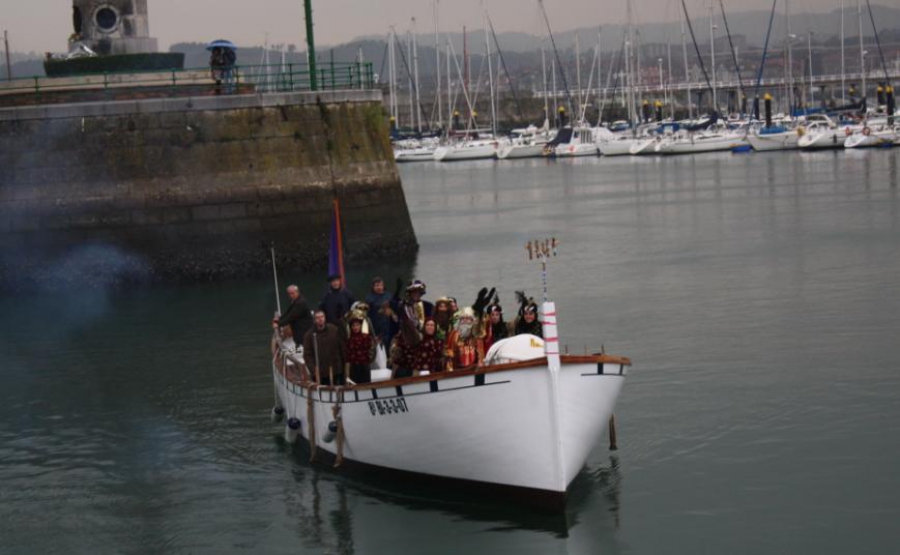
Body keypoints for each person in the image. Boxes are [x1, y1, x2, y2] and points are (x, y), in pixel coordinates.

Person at [303, 310, 346, 385]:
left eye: (322, 317)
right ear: (314, 320)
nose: (320, 319)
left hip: (336, 369)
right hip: (320, 373)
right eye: (318, 317)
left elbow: (342, 347)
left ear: (325, 318)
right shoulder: (309, 335)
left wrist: (344, 364)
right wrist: (314, 371)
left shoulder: (334, 329)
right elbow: (307, 355)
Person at [272, 285, 313, 349]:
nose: (291, 295)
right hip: (298, 329)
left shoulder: (301, 303)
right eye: (289, 294)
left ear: (297, 292)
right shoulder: (295, 301)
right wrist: (279, 319)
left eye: (293, 293)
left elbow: (291, 317)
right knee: (299, 342)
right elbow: (288, 311)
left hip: (303, 329)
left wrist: (278, 323)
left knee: (304, 343)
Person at [345, 317, 375, 384]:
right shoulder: (349, 340)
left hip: (364, 366)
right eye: (353, 325)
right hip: (354, 368)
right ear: (351, 327)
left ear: (360, 325)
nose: (355, 327)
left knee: (366, 386)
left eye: (357, 325)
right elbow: (348, 357)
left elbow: (372, 351)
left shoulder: (367, 337)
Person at [365, 277, 393, 346]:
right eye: (377, 285)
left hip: (388, 324)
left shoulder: (389, 295)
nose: (379, 287)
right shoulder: (369, 298)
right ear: (373, 287)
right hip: (376, 324)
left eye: (381, 285)